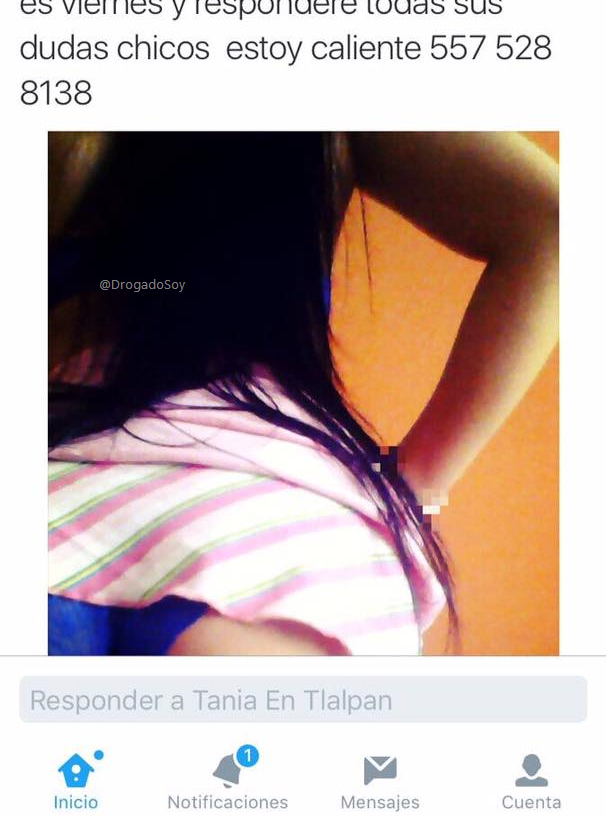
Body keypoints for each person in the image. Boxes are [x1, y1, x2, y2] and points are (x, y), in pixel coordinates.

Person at [48, 132, 559, 656]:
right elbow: (552, 222)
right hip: (282, 521)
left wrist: (417, 488)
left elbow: (554, 225)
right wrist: (417, 487)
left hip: (77, 492)